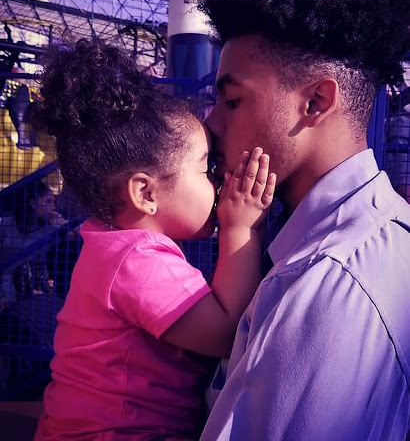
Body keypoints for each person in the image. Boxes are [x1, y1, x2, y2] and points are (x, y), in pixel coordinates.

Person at [197, 0, 410, 440]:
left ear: (315, 102)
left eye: (233, 101)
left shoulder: (329, 286)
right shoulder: (363, 239)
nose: (211, 125)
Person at [34, 39, 276, 440]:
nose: (219, 178)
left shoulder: (113, 246)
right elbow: (225, 335)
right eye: (206, 169)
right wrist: (243, 228)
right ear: (146, 193)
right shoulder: (136, 261)